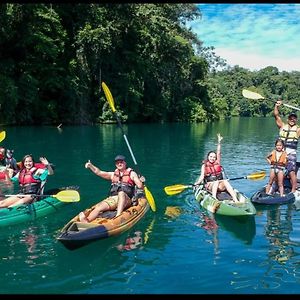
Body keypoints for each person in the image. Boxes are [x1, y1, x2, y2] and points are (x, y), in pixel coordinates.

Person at [79, 155, 144, 223]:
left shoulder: (132, 174)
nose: (119, 164)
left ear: (125, 163)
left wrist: (140, 181)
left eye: (121, 162)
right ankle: (87, 220)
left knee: (121, 193)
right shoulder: (113, 175)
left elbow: (140, 186)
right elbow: (99, 172)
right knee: (99, 207)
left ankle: (118, 216)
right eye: (117, 163)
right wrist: (90, 166)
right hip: (113, 199)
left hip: (127, 199)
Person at [194, 133, 239, 203]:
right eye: (211, 157)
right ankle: (214, 198)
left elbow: (218, 152)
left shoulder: (217, 162)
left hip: (219, 185)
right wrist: (197, 183)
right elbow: (202, 176)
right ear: (208, 157)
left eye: (214, 157)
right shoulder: (204, 165)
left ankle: (235, 199)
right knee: (216, 182)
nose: (212, 158)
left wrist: (219, 142)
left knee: (225, 181)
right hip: (210, 185)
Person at [274, 100, 300, 192]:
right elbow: (276, 115)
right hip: (281, 153)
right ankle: (277, 186)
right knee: (277, 171)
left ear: (296, 120)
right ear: (288, 119)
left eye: (294, 118)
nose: (292, 120)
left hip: (291, 153)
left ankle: (293, 190)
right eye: (291, 118)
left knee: (291, 172)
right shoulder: (282, 126)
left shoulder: (297, 130)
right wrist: (276, 106)